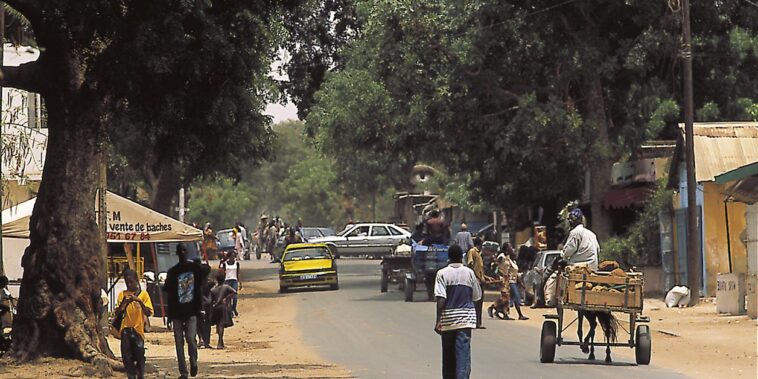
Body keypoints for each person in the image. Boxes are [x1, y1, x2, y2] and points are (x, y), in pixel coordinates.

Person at [434, 244, 481, 379]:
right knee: (463, 355)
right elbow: (477, 296)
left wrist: (438, 321)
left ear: (448, 258)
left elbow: (441, 299)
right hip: (465, 320)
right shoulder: (469, 273)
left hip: (448, 319)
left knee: (448, 355)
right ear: (462, 257)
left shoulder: (442, 273)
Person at [165, 244, 210, 379]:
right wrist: (169, 316)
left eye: (184, 251)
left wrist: (197, 263)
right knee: (179, 343)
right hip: (177, 313)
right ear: (177, 254)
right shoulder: (173, 272)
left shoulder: (194, 268)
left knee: (191, 340)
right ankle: (183, 372)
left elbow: (207, 271)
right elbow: (169, 294)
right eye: (181, 252)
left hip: (191, 311)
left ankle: (193, 362)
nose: (183, 254)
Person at [544, 208, 600, 307]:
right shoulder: (591, 234)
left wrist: (561, 256)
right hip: (593, 269)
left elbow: (567, 253)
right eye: (569, 219)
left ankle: (552, 301)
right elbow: (598, 250)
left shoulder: (575, 232)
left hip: (578, 269)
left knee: (555, 276)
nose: (570, 221)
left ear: (578, 220)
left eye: (571, 219)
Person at [116, 269, 153, 379]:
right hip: (125, 330)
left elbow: (149, 312)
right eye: (127, 283)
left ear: (137, 281)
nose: (129, 285)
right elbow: (117, 313)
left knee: (139, 354)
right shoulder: (122, 295)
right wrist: (124, 303)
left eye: (131, 282)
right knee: (127, 357)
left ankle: (140, 374)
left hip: (138, 331)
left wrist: (139, 301)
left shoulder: (143, 295)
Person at [496, 245, 528, 320]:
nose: (512, 249)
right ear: (507, 248)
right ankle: (498, 308)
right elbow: (497, 267)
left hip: (513, 280)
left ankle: (519, 314)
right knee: (514, 296)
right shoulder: (502, 256)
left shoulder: (511, 260)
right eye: (511, 247)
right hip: (507, 280)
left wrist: (520, 283)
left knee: (512, 298)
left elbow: (514, 273)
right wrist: (499, 277)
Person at [465, 238, 490, 329]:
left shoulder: (479, 254)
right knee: (475, 302)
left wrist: (485, 277)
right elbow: (470, 266)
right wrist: (479, 278)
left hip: (481, 281)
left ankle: (478, 323)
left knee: (480, 303)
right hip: (475, 281)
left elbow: (480, 269)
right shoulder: (472, 251)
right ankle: (472, 322)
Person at [210, 271, 237, 349]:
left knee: (218, 324)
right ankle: (220, 342)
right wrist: (226, 298)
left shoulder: (213, 289)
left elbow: (211, 300)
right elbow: (234, 292)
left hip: (216, 308)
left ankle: (220, 341)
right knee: (221, 324)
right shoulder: (226, 287)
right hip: (223, 307)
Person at [220, 252, 241, 317]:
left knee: (234, 296)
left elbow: (238, 273)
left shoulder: (236, 263)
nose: (233, 258)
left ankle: (233, 307)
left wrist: (239, 282)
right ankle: (230, 311)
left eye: (234, 256)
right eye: (232, 256)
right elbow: (223, 273)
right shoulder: (225, 264)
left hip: (234, 280)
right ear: (228, 257)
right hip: (227, 281)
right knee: (228, 297)